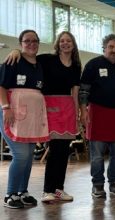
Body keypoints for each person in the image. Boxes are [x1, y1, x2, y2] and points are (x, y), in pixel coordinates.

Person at [4, 31, 81, 202]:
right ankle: (47, 190)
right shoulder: (47, 59)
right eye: (62, 40)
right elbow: (27, 56)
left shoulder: (76, 65)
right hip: (48, 107)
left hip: (67, 108)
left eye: (68, 41)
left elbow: (75, 92)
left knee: (63, 151)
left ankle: (59, 189)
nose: (65, 43)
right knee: (53, 150)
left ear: (73, 44)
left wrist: (77, 113)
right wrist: (16, 51)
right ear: (57, 44)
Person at [79, 34, 115, 198]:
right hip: (97, 113)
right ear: (104, 47)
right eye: (111, 47)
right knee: (97, 155)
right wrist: (83, 111)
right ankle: (97, 185)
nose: (114, 50)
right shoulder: (93, 65)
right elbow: (84, 90)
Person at [0, 30, 49, 209]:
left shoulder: (40, 64)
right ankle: (10, 194)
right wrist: (6, 108)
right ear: (20, 43)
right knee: (20, 155)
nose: (31, 44)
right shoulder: (13, 60)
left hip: (32, 117)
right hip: (12, 113)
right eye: (27, 41)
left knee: (28, 157)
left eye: (34, 41)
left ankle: (22, 192)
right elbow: (2, 86)